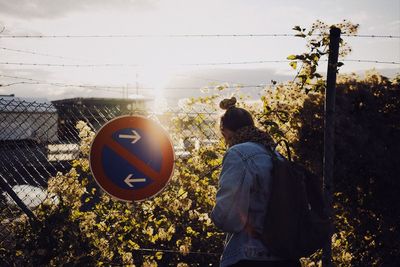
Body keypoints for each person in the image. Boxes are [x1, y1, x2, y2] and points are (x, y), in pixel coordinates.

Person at [210, 97, 301, 267]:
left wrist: (215, 215)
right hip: (285, 252)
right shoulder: (275, 154)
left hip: (250, 255)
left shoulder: (238, 153)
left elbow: (227, 216)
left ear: (225, 131)